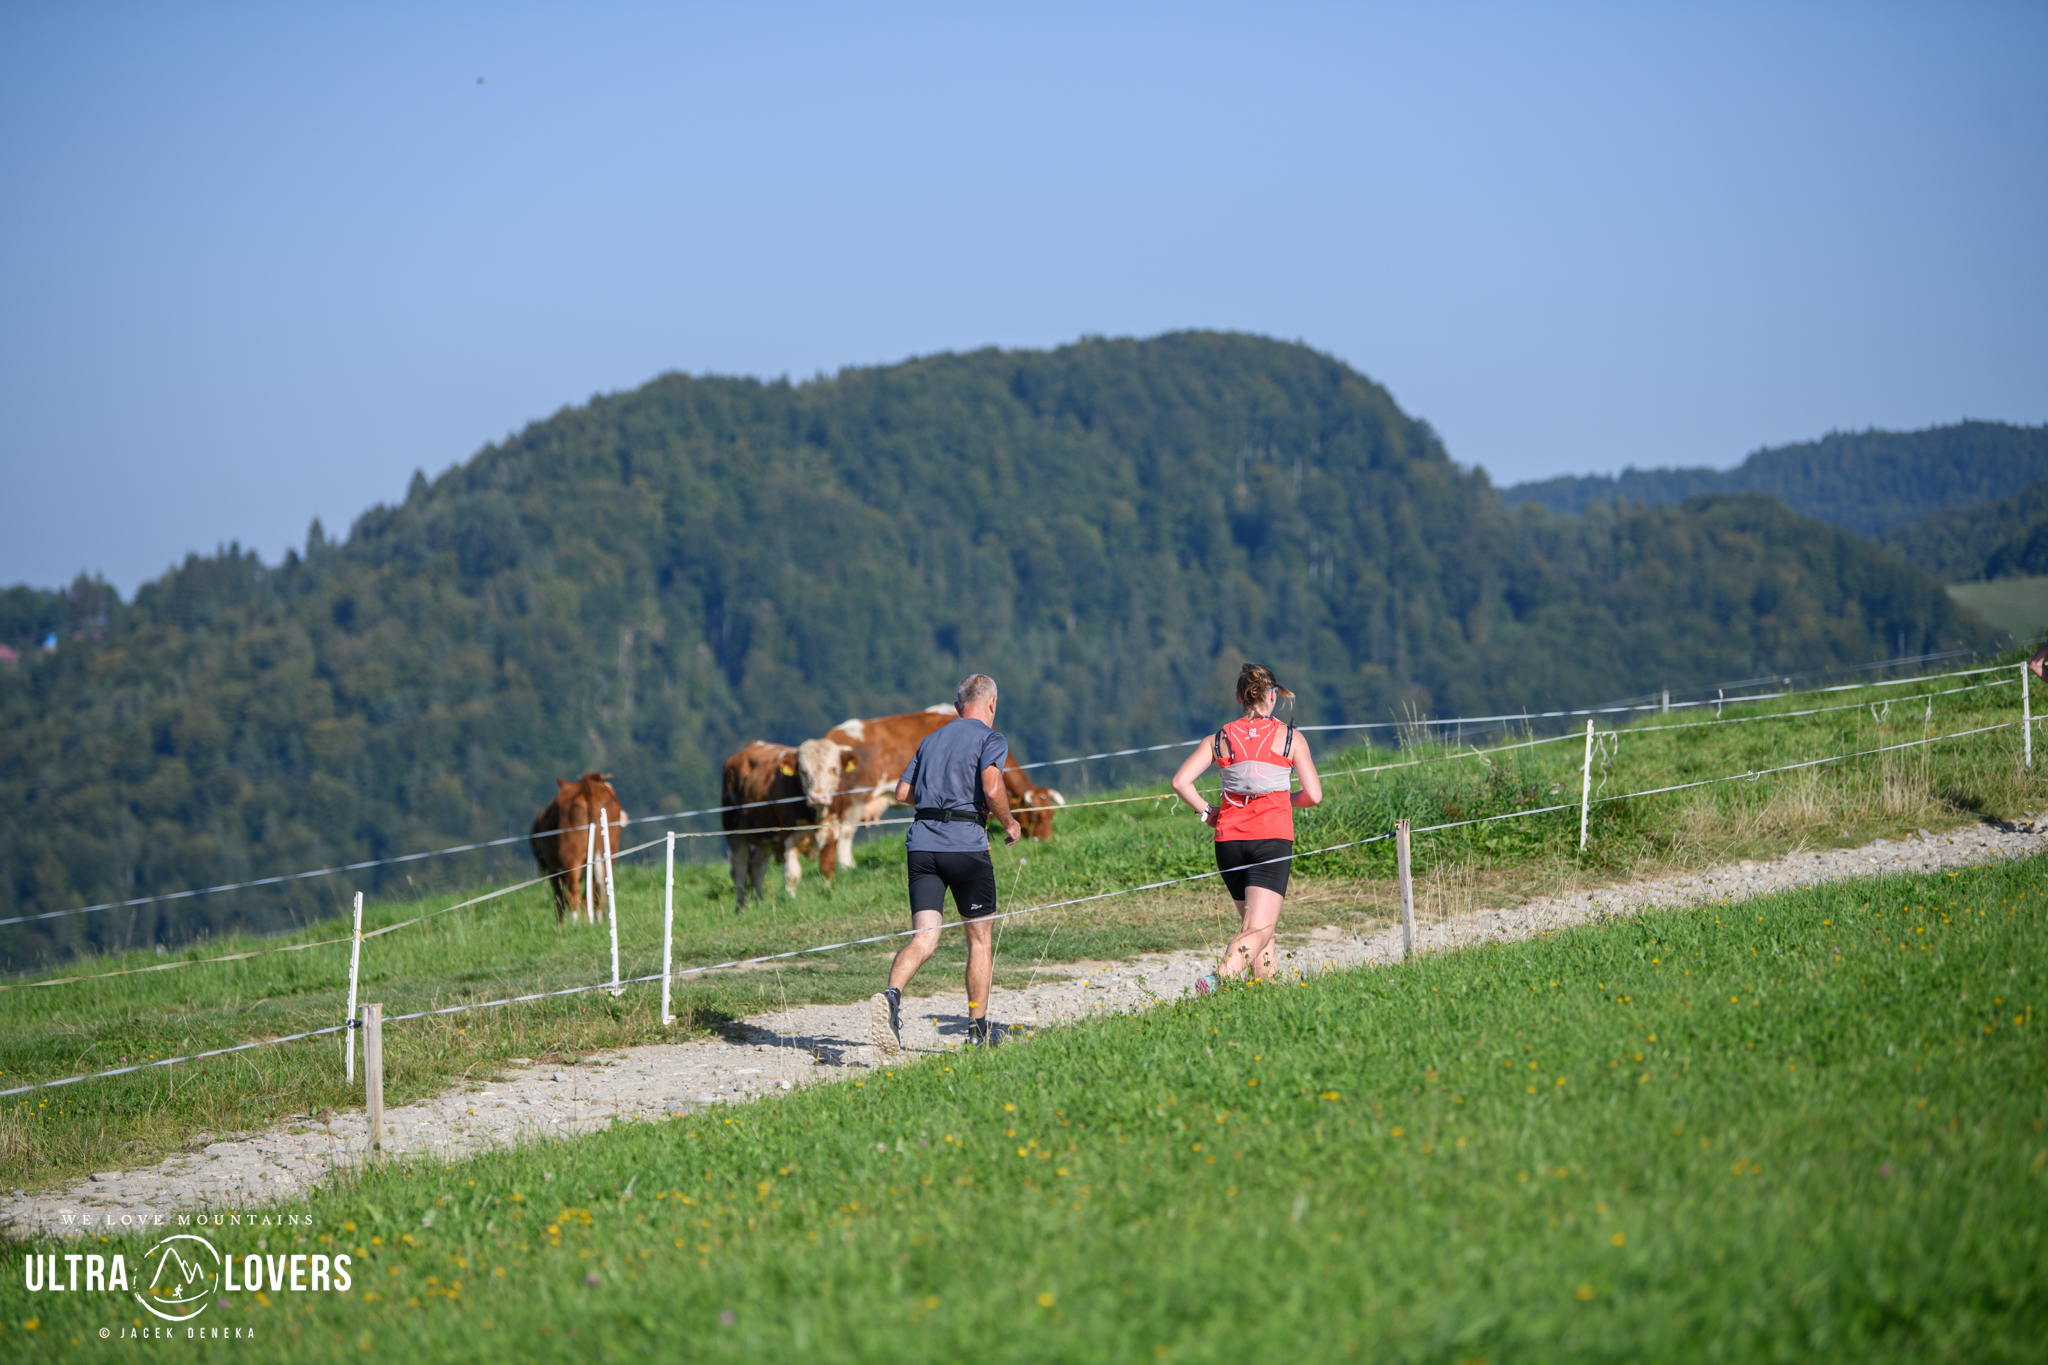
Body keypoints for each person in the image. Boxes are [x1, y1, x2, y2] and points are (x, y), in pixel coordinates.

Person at [871, 673, 1023, 1054]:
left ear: (958, 706)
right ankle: (977, 1031)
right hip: (966, 845)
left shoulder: (930, 739)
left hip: (921, 846)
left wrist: (935, 800)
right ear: (992, 703)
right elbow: (992, 787)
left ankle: (891, 996)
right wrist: (1009, 822)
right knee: (979, 940)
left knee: (924, 938)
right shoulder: (991, 738)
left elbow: (902, 792)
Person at [1171, 663, 1323, 995]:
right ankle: (1219, 979)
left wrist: (1207, 813)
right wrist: (1284, 799)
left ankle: (1267, 996)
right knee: (1260, 927)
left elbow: (1180, 782)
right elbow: (1314, 795)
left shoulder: (1218, 739)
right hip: (1271, 839)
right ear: (1273, 696)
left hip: (1228, 842)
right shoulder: (1290, 738)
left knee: (1258, 930)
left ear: (1239, 697)